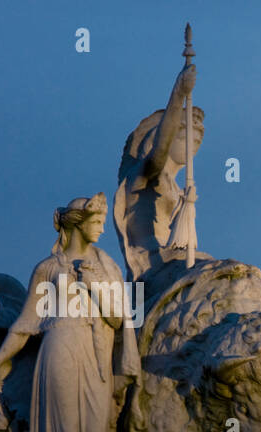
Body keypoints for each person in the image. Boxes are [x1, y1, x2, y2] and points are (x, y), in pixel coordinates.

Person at [0, 194, 139, 432]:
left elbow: (119, 317)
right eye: (96, 223)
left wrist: (94, 286)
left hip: (96, 354)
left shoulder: (106, 265)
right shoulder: (47, 268)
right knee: (66, 431)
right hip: (58, 347)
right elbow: (25, 324)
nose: (101, 228)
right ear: (77, 224)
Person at [114, 62, 207, 282]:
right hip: (151, 266)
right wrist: (179, 93)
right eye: (185, 134)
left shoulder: (176, 186)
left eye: (198, 139)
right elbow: (160, 148)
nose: (193, 142)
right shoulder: (144, 175)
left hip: (175, 259)